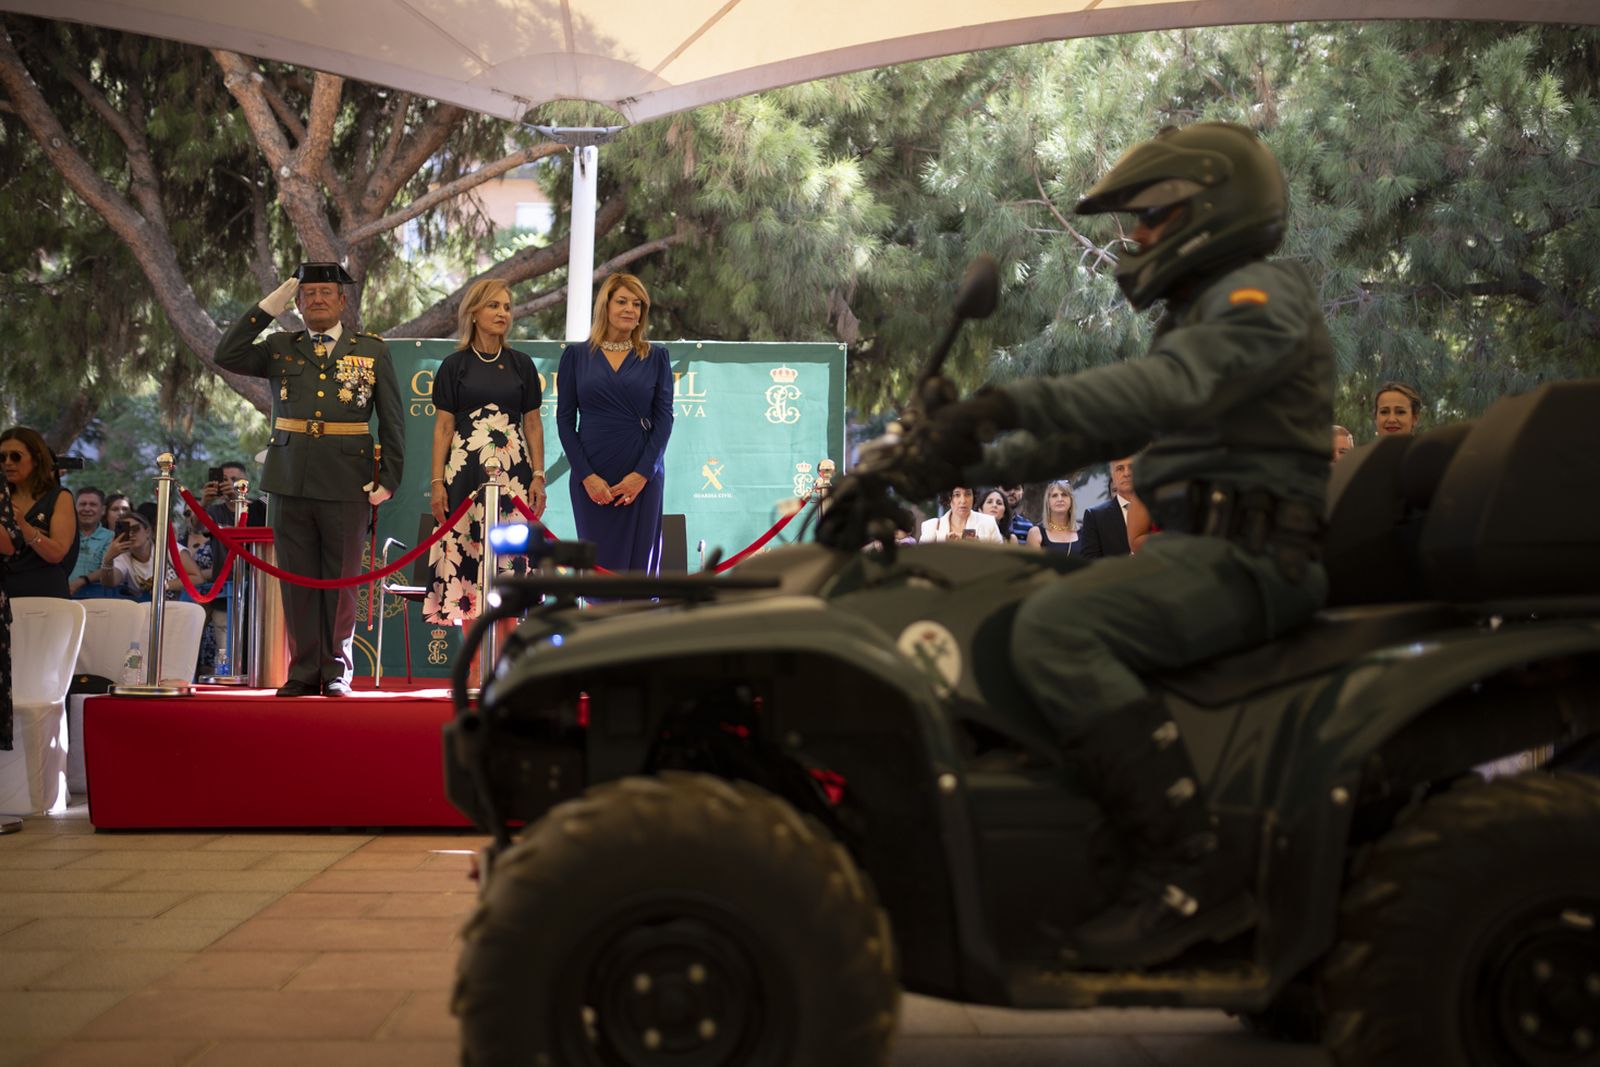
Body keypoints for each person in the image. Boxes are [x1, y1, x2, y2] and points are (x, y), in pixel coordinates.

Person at [903, 123, 1332, 968]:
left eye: (1150, 217)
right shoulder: (1200, 313)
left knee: (1058, 630)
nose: (1132, 237)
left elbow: (1162, 389)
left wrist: (1005, 401)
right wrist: (950, 462)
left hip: (1246, 558)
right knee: (999, 602)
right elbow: (1100, 432)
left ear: (1211, 210)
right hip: (1204, 549)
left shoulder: (1259, 297)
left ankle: (1187, 863)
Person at [215, 262, 405, 697]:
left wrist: (389, 478)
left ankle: (336, 669)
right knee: (297, 578)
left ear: (343, 301)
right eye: (308, 294)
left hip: (347, 480)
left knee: (340, 580)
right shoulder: (281, 346)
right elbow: (226, 354)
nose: (317, 299)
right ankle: (303, 670)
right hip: (289, 478)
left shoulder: (372, 350)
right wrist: (267, 308)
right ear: (297, 304)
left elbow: (393, 420)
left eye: (326, 292)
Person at [426, 278, 547, 623]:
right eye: (494, 305)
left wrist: (538, 475)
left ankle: (504, 671)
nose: (502, 313)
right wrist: (437, 483)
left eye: (507, 307)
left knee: (509, 568)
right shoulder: (454, 365)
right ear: (474, 313)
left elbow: (533, 425)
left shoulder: (522, 364)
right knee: (468, 572)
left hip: (514, 480)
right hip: (464, 479)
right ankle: (478, 673)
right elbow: (444, 429)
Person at [556, 273, 674, 574]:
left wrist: (642, 474)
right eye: (622, 301)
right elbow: (565, 420)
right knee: (597, 573)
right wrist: (586, 475)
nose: (630, 309)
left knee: (638, 574)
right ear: (605, 306)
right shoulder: (576, 356)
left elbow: (664, 419)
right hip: (592, 476)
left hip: (642, 474)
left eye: (637, 304)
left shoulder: (656, 356)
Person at [0, 427, 77, 599]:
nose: (8, 463)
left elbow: (57, 553)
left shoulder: (59, 497)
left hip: (44, 594)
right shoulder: (2, 496)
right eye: (2, 457)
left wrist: (23, 526)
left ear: (36, 459)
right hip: (5, 596)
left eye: (16, 456)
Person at [1078, 455, 1137, 559]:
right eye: (1120, 469)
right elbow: (1090, 563)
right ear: (1113, 475)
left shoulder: (1156, 506)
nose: (1127, 473)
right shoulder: (1095, 516)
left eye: (1131, 467)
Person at [67, 486, 118, 598]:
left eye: (93, 505)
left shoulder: (111, 537)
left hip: (97, 597)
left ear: (103, 510)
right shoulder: (65, 533)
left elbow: (107, 567)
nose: (87, 508)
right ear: (74, 508)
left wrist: (82, 581)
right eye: (82, 504)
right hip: (63, 595)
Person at [918, 486, 1003, 543]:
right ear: (948, 498)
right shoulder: (931, 526)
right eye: (957, 495)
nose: (963, 500)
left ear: (974, 497)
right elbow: (923, 562)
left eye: (968, 494)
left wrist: (978, 547)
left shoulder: (988, 522)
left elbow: (1000, 559)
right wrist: (946, 547)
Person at [1027, 480, 1081, 555]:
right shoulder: (1036, 533)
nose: (1060, 499)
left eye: (1064, 495)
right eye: (1054, 495)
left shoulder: (1083, 531)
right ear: (1047, 502)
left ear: (1071, 500)